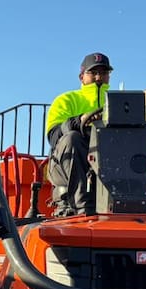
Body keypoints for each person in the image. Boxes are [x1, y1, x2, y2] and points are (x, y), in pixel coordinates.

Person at [46, 52, 112, 215]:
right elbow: (54, 136)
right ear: (81, 77)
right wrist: (79, 121)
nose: (98, 77)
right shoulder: (65, 101)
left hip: (108, 160)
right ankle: (81, 205)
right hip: (66, 162)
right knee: (72, 138)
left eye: (103, 72)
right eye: (93, 72)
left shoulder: (118, 103)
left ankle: (135, 201)